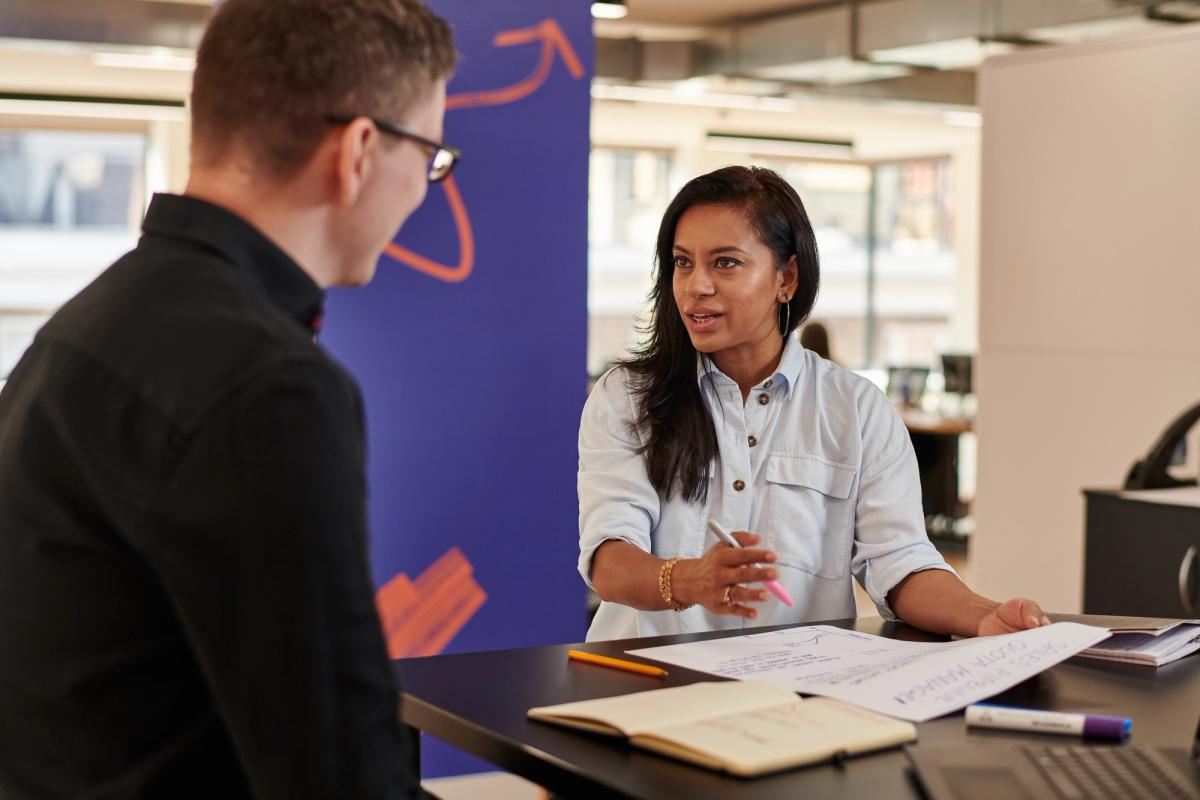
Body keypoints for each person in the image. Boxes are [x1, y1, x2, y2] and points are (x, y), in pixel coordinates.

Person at [0, 1, 456, 797]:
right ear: (357, 150)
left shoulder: (86, 325)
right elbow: (334, 768)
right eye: (430, 155)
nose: (426, 188)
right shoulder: (269, 385)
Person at [578, 166, 1047, 642]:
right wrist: (691, 579)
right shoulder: (626, 398)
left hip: (795, 687)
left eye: (725, 263)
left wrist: (983, 615)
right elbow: (609, 559)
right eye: (682, 262)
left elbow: (900, 562)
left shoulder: (858, 410)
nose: (696, 285)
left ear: (787, 278)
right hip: (645, 685)